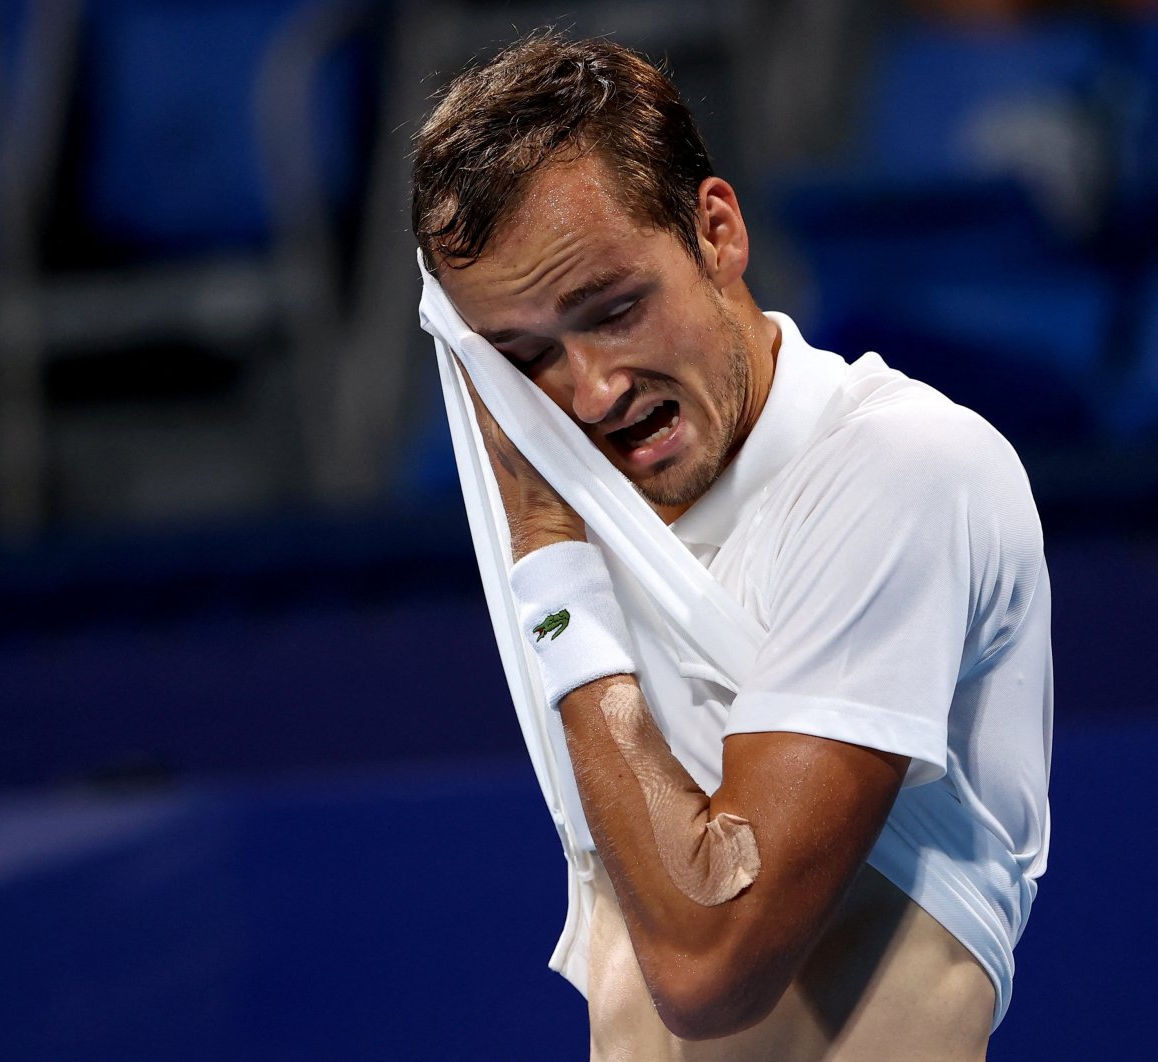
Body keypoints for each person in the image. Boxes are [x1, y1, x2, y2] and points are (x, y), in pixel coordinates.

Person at [411, 33, 1052, 1060]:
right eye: (525, 357)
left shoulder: (902, 468)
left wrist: (551, 566)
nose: (590, 391)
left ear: (717, 231)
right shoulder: (599, 518)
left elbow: (710, 964)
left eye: (613, 310)